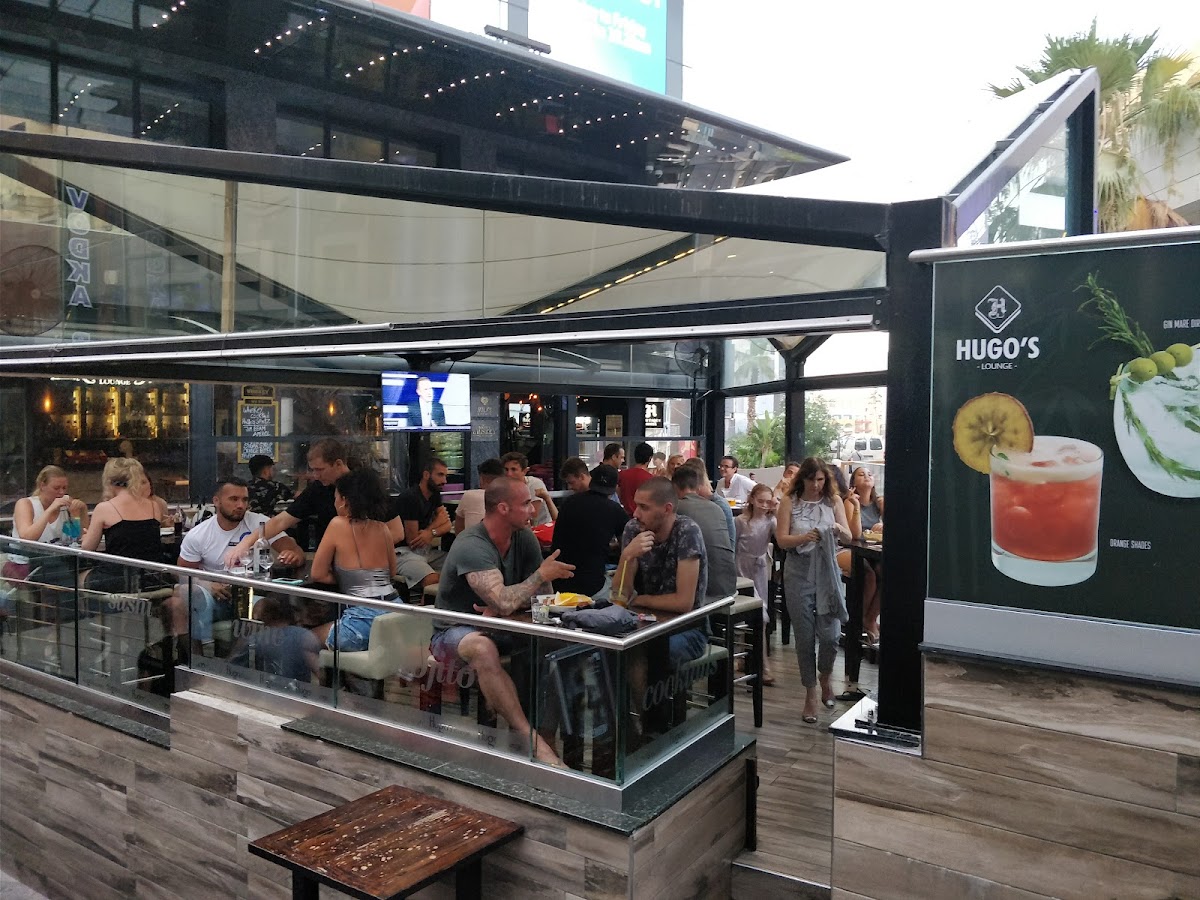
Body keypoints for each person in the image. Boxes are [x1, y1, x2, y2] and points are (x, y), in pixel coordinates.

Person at [431, 477, 574, 766]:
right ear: (503, 508)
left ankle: (547, 737)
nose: (533, 510)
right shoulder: (471, 544)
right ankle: (532, 740)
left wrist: (504, 605)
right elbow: (506, 600)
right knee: (483, 649)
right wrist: (535, 579)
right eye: (526, 504)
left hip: (502, 626)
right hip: (454, 630)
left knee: (560, 647)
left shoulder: (525, 538)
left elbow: (542, 601)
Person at [170, 477, 304, 647]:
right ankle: (196, 659)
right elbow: (181, 573)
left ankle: (238, 661)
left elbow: (297, 553)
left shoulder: (259, 523)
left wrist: (292, 556)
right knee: (178, 602)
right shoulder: (199, 534)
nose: (241, 505)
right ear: (216, 501)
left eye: (245, 500)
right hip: (217, 597)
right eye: (234, 499)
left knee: (264, 608)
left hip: (254, 594)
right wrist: (207, 585)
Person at [227, 438, 402, 565]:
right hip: (332, 563)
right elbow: (281, 521)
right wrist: (246, 543)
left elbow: (397, 532)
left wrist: (358, 549)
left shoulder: (366, 484)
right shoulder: (317, 489)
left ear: (338, 464)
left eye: (320, 470)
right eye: (313, 470)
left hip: (371, 562)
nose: (315, 475)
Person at [776, 457, 852, 724]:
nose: (816, 485)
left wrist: (837, 528)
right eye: (811, 480)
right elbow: (782, 540)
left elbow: (849, 536)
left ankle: (825, 676)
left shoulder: (834, 501)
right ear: (803, 479)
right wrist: (804, 537)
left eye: (820, 480)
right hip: (798, 571)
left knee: (831, 634)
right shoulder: (789, 501)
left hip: (827, 570)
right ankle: (810, 692)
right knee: (805, 636)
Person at [612, 478, 708, 665]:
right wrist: (626, 557)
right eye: (636, 505)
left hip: (687, 628)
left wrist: (639, 600)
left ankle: (645, 686)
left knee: (645, 652)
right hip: (642, 624)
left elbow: (683, 603)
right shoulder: (633, 529)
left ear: (667, 509)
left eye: (644, 507)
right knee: (607, 650)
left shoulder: (687, 531)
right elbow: (619, 596)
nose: (635, 513)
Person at [311, 469, 404, 652]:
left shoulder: (337, 524)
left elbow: (317, 574)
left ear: (344, 500)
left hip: (361, 621)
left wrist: (347, 578)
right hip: (395, 613)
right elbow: (392, 572)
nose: (334, 502)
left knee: (303, 639)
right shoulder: (383, 528)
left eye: (336, 497)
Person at [81, 458, 169, 594]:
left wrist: (87, 536)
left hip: (119, 578)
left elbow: (87, 548)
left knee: (78, 578)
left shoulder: (104, 508)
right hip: (152, 578)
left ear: (109, 481)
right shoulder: (154, 506)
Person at [549, 464, 628, 599]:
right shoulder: (616, 510)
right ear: (615, 488)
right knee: (630, 594)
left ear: (591, 481)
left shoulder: (568, 503)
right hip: (592, 589)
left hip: (558, 587)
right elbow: (627, 548)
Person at [671, 465, 737, 601]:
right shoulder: (716, 508)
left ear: (674, 487)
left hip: (705, 593)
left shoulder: (676, 509)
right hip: (728, 586)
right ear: (698, 486)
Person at [736, 483, 777, 684]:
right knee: (757, 615)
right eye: (760, 501)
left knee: (761, 613)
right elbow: (733, 546)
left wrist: (777, 509)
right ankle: (762, 664)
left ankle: (750, 659)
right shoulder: (740, 521)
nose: (764, 505)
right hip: (741, 569)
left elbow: (781, 537)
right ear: (752, 499)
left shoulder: (771, 521)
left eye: (768, 502)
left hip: (760, 569)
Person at [838, 466, 884, 644]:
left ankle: (868, 619)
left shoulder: (878, 503)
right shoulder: (849, 502)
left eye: (869, 474)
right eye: (861, 474)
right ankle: (857, 622)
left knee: (885, 574)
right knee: (869, 575)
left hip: (872, 551)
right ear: (853, 482)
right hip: (848, 549)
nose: (867, 476)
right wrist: (856, 506)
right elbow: (854, 535)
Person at [227, 595, 320, 682]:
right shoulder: (305, 636)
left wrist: (242, 639)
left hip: (264, 690)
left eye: (256, 620)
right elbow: (320, 673)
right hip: (299, 691)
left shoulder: (254, 640)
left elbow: (228, 671)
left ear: (264, 618)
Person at [393, 457, 451, 594]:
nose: (444, 481)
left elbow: (447, 524)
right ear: (426, 475)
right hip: (403, 552)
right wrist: (435, 526)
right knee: (432, 579)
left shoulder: (434, 494)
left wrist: (430, 533)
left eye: (445, 476)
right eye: (440, 475)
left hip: (426, 551)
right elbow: (413, 540)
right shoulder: (410, 497)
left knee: (460, 565)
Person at [13, 465, 89, 544]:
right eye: (56, 488)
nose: (62, 492)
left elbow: (80, 537)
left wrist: (82, 511)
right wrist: (50, 510)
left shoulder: (66, 504)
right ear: (42, 486)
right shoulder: (25, 504)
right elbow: (26, 537)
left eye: (64, 488)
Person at [682, 457, 735, 545]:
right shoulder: (720, 485)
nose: (722, 469)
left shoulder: (719, 505)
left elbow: (730, 541)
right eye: (721, 466)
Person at [501, 451, 557, 526]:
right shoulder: (503, 486)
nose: (509, 474)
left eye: (513, 469)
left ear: (524, 471)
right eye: (506, 469)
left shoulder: (534, 484)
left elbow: (532, 515)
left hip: (541, 527)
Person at [454, 458, 504, 533]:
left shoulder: (470, 495)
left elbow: (458, 528)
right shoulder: (509, 497)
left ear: (481, 478)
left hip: (471, 539)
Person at [617, 442, 655, 515]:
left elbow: (618, 494)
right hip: (642, 516)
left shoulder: (622, 474)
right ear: (650, 458)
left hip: (624, 515)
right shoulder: (650, 479)